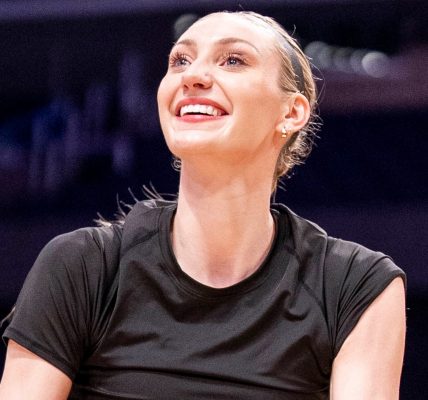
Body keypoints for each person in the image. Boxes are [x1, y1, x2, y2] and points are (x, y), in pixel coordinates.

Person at [0, 11, 405, 400]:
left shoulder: (355, 285)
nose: (192, 76)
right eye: (180, 61)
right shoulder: (82, 266)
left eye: (233, 60)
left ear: (292, 111)